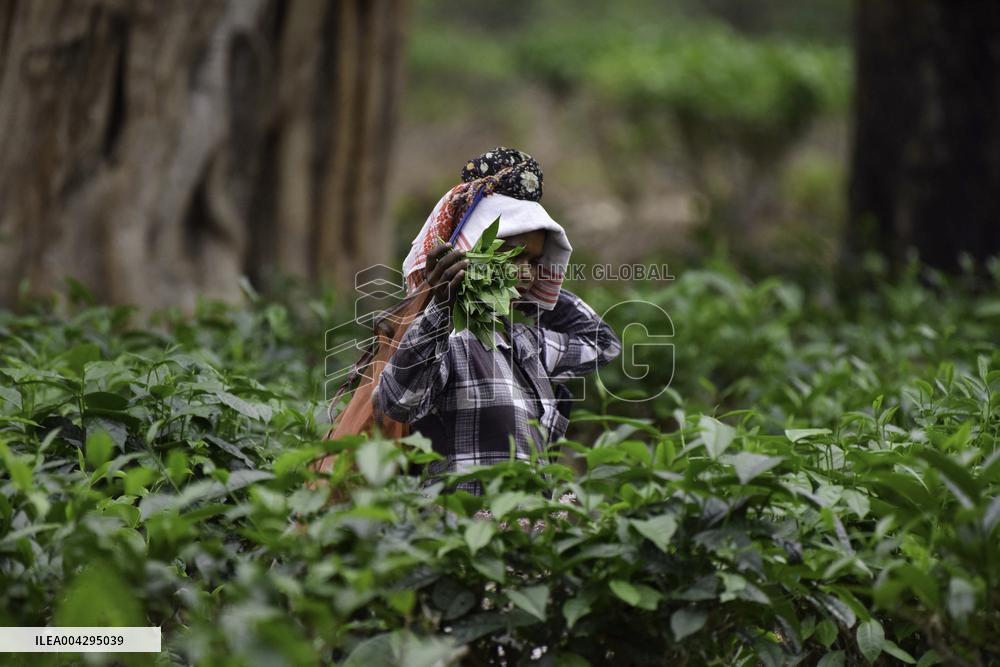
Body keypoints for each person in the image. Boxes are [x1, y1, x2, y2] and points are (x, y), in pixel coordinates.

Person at [372, 147, 621, 495]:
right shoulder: (449, 341)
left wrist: (538, 293)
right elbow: (397, 401)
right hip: (465, 537)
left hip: (527, 539)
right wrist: (442, 307)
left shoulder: (526, 344)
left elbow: (602, 342)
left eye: (534, 261)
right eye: (513, 254)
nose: (526, 271)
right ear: (472, 250)